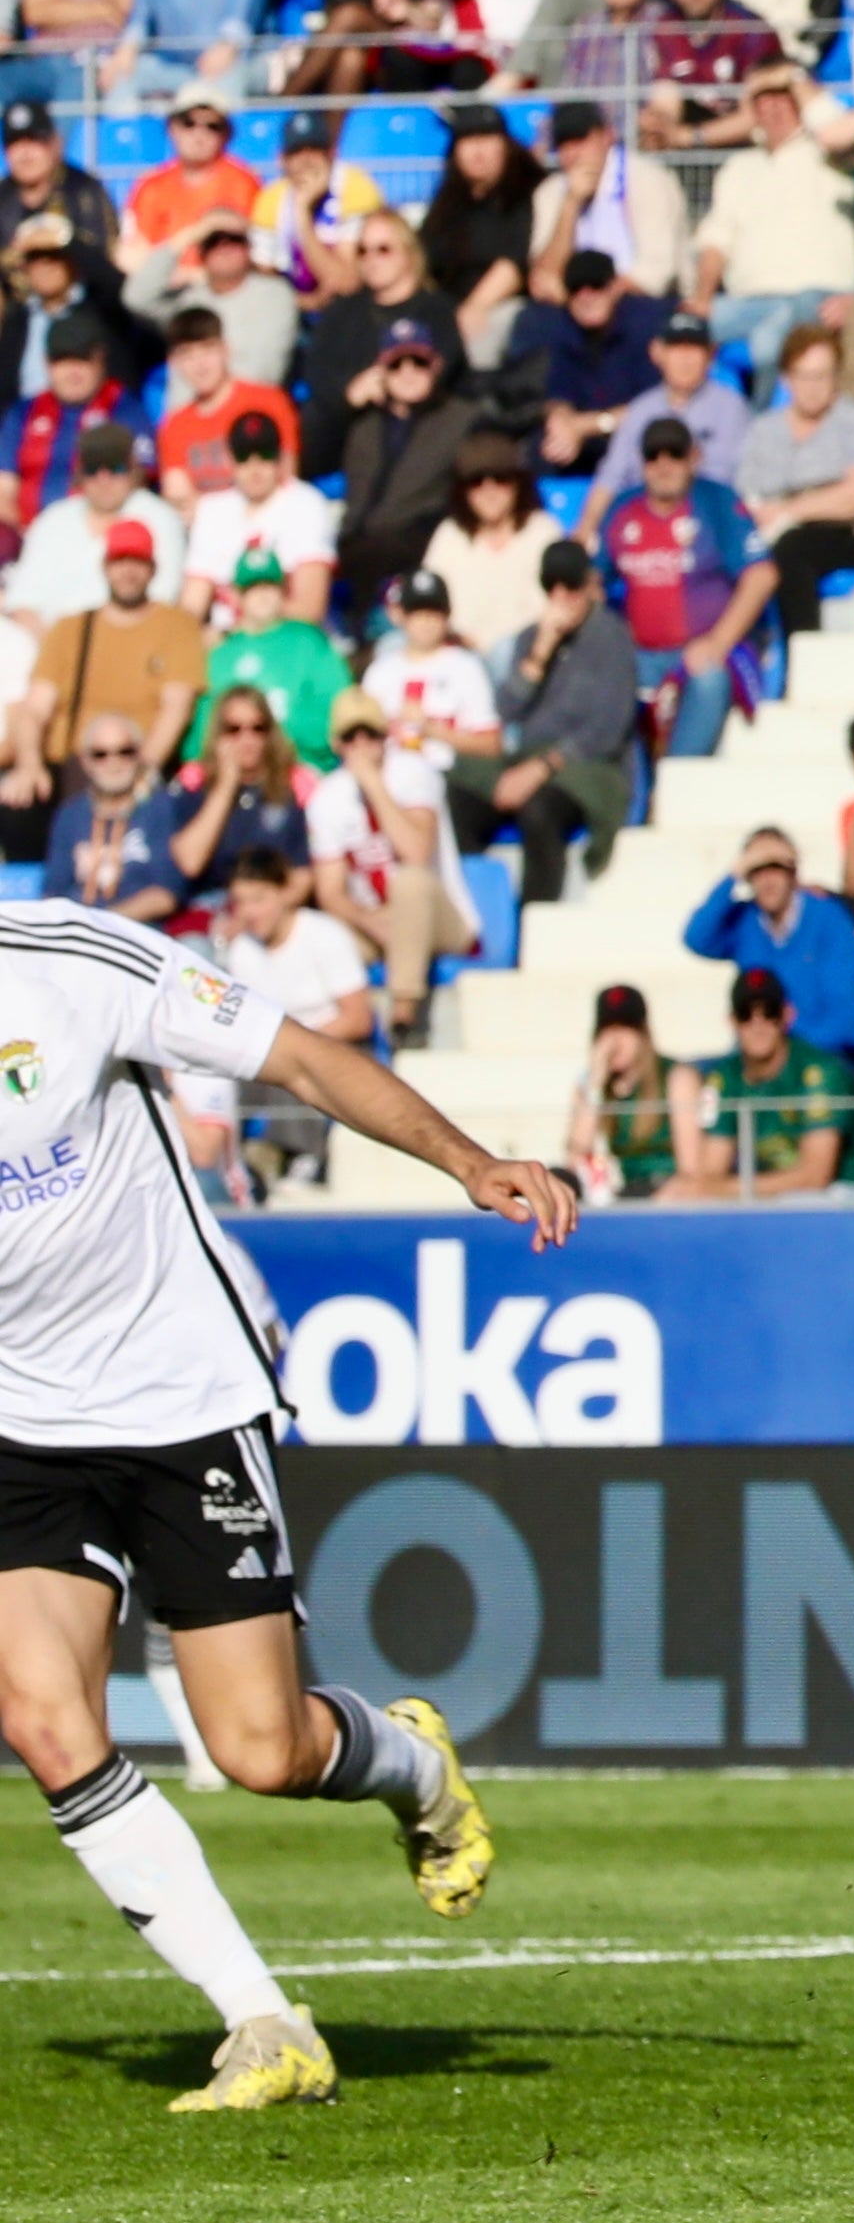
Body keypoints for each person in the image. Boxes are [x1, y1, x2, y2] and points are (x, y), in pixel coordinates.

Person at [0, 902, 568, 2112]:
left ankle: (409, 1763)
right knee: (45, 1720)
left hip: (179, 1394)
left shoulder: (70, 960)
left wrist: (470, 1162)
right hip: (20, 1431)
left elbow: (302, 1056)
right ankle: (265, 2022)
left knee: (260, 1749)